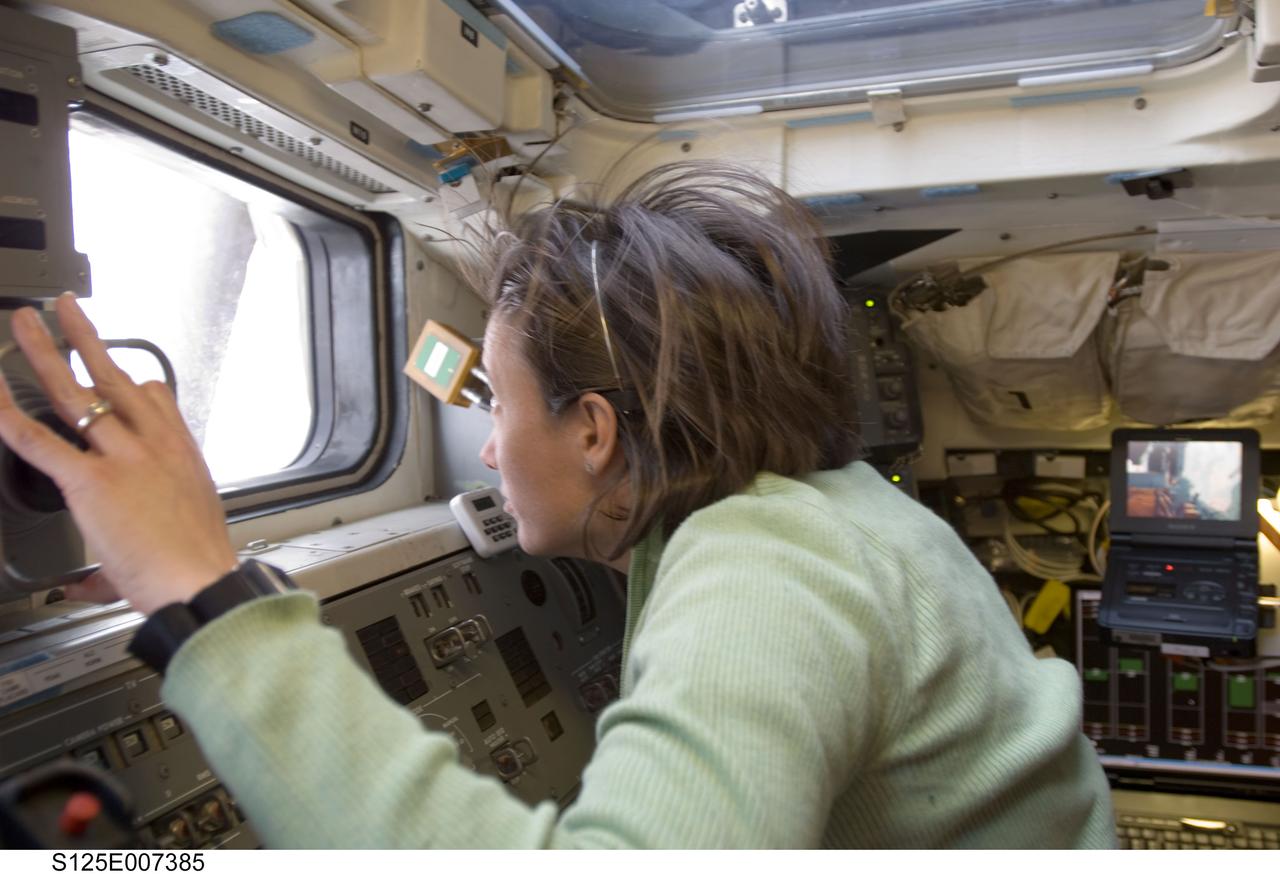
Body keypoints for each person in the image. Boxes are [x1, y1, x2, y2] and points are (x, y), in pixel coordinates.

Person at [0, 162, 1115, 848]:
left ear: (591, 429)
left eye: (500, 400)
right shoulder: (839, 513)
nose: (487, 445)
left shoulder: (769, 561)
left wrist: (201, 593)